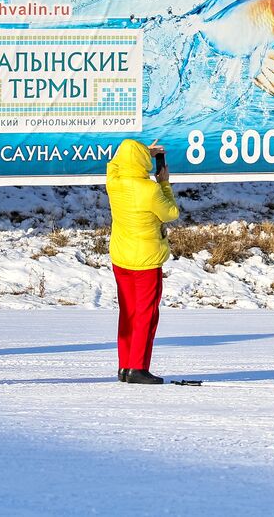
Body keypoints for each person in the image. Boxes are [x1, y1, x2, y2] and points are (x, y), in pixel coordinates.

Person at [105, 138, 179, 384]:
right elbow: (171, 213)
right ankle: (137, 368)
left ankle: (125, 366)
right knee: (146, 314)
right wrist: (165, 183)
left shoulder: (114, 183)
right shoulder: (150, 190)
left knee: (127, 313)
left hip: (121, 258)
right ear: (141, 161)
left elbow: (114, 164)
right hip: (145, 261)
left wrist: (141, 152)